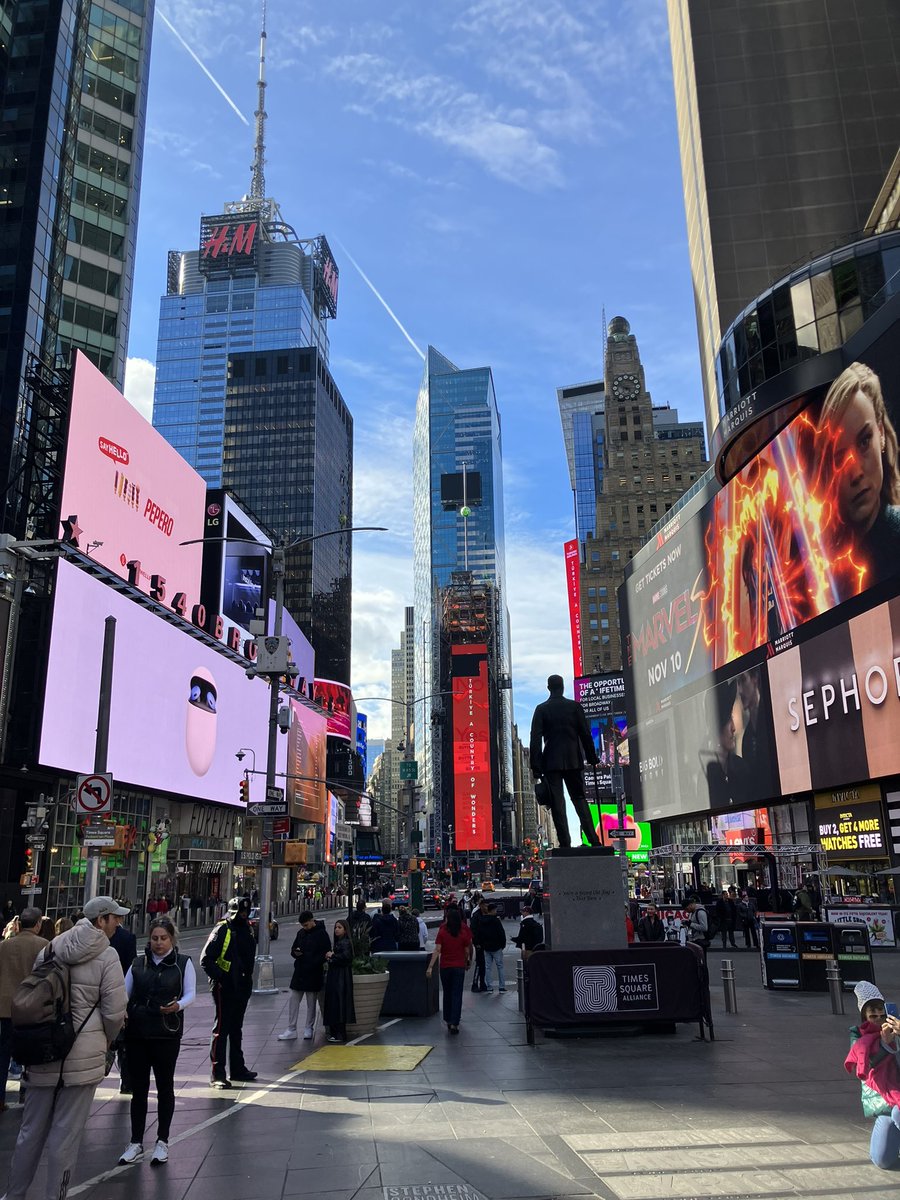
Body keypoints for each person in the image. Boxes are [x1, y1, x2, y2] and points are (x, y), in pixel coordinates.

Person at [1, 897, 127, 1200]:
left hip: (42, 1050)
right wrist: (106, 1039)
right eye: (114, 918)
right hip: (81, 1058)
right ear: (100, 921)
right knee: (65, 1136)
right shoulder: (107, 956)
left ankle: (13, 1195)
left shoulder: (50, 948)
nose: (118, 924)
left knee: (30, 1132)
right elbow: (114, 1012)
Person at [117, 917, 195, 1167]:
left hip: (166, 1033)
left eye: (163, 938)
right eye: (154, 938)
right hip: (138, 1034)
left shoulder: (183, 963)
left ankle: (162, 1141)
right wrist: (123, 1013)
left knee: (165, 1087)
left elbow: (191, 992)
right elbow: (124, 994)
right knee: (138, 1089)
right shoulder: (137, 964)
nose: (158, 943)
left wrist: (178, 1006)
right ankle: (136, 1141)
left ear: (172, 939)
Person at [817, 361, 900, 588]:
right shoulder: (824, 576)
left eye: (864, 441)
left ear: (881, 434)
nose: (855, 473)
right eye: (840, 457)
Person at [529, 674, 601, 847]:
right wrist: (591, 756)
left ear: (548, 688)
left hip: (551, 762)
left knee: (557, 803)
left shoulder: (541, 709)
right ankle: (593, 839)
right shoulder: (574, 707)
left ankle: (565, 843)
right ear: (562, 687)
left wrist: (536, 766)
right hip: (573, 760)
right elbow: (585, 734)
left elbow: (535, 739)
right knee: (579, 798)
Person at [200, 896, 258, 1089]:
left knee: (236, 1029)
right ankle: (217, 1074)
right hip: (224, 987)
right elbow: (205, 959)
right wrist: (221, 978)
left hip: (242, 985)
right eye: (240, 913)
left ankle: (238, 1068)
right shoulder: (223, 929)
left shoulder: (247, 929)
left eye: (245, 912)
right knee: (221, 1030)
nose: (243, 915)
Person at [845, 982, 900, 1169]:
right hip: (883, 1100)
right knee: (883, 1160)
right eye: (872, 1016)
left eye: (881, 1015)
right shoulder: (859, 1037)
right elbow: (866, 1068)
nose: (878, 1019)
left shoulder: (897, 1029)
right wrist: (886, 1045)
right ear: (864, 1017)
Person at [0, 908, 49, 1114]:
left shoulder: (4, 946)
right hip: (31, 1007)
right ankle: (25, 1092)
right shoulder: (44, 946)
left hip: (6, 1006)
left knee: (3, 1052)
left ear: (19, 925)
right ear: (38, 924)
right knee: (31, 1052)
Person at [278, 911, 331, 1041]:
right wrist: (296, 953)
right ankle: (292, 1028)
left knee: (311, 1002)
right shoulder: (301, 933)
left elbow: (325, 952)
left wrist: (312, 961)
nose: (305, 927)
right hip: (301, 971)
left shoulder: (321, 934)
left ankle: (308, 1028)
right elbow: (294, 948)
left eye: (306, 925)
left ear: (312, 921)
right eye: (303, 925)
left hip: (313, 971)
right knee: (294, 999)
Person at [705, 681, 751, 809]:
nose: (733, 728)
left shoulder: (742, 768)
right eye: (727, 719)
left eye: (732, 717)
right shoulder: (706, 774)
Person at [426, 906, 473, 1035]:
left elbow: (437, 950)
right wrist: (467, 961)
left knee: (447, 993)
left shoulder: (442, 932)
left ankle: (447, 1019)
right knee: (457, 994)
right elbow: (467, 950)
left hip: (445, 967)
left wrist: (430, 966)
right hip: (459, 967)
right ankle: (454, 1022)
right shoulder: (462, 933)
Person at [109, 920, 137, 1094]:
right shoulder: (127, 937)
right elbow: (131, 967)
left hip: (97, 995)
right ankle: (126, 1081)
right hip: (120, 992)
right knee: (123, 1042)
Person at [323, 920, 355, 1043]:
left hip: (339, 977)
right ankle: (337, 1033)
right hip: (338, 976)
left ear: (345, 930)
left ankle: (339, 1034)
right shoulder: (341, 942)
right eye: (336, 927)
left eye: (339, 927)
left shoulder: (344, 943)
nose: (336, 929)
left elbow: (346, 957)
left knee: (338, 1003)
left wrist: (332, 956)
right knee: (336, 1003)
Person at [479, 903, 507, 994]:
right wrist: (503, 944)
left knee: (488, 967)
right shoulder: (496, 921)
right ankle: (502, 987)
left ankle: (489, 987)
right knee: (500, 966)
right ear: (493, 910)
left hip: (487, 947)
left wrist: (482, 944)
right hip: (497, 946)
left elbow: (480, 934)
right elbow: (501, 933)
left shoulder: (482, 920)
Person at [469, 897, 488, 994]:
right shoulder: (476, 916)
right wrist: (476, 943)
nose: (486, 907)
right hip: (479, 943)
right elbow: (473, 930)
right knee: (479, 964)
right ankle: (475, 983)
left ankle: (482, 983)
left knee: (483, 964)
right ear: (480, 906)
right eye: (484, 905)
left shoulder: (483, 915)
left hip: (484, 943)